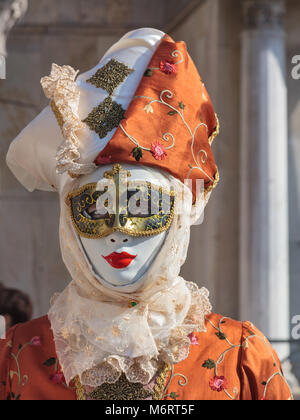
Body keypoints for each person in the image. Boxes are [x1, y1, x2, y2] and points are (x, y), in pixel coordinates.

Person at [0, 28, 293, 400]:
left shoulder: (240, 358)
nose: (119, 231)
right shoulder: (18, 357)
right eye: (94, 207)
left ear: (179, 213)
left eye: (143, 205)